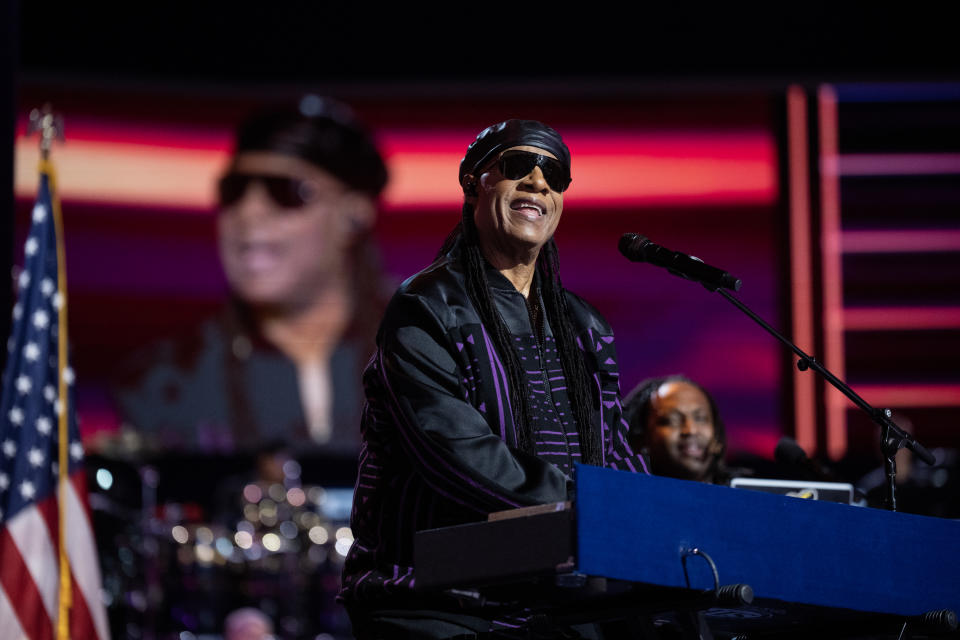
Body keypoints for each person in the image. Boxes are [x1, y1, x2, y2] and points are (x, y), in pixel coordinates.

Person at [339, 119, 648, 639]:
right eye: (515, 166)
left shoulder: (584, 326)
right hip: (437, 602)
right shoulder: (427, 307)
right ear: (472, 182)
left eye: (554, 172)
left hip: (559, 599)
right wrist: (598, 510)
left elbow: (614, 452)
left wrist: (655, 514)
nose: (537, 182)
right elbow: (456, 455)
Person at [110, 95, 390, 459]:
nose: (249, 211)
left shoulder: (433, 357)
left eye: (286, 191)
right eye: (234, 191)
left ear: (353, 214)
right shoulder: (164, 382)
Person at [622, 375, 736, 485]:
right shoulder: (623, 494)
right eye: (672, 421)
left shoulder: (744, 497)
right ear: (642, 437)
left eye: (701, 418)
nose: (691, 430)